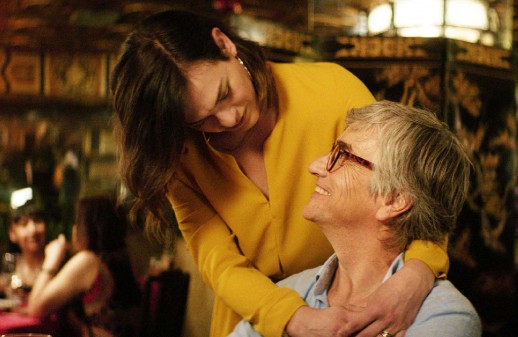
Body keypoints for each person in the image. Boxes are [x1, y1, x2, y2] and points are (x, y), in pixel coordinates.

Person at [111, 10, 449, 337]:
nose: (228, 119)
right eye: (201, 120)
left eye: (225, 94)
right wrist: (290, 318)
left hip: (361, 310)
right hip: (249, 323)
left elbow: (410, 188)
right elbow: (219, 262)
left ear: (224, 45)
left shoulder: (331, 90)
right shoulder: (181, 152)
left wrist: (418, 271)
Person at [231, 100, 482, 337]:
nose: (315, 166)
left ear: (394, 200)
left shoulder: (445, 316)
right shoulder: (289, 295)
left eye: (342, 155)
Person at [27, 196, 141, 337]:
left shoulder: (88, 262)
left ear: (88, 228)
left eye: (77, 223)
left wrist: (51, 260)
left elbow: (36, 307)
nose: (74, 229)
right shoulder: (126, 258)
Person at [7, 199, 47, 295]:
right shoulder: (9, 268)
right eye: (24, 224)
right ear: (12, 233)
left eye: (37, 221)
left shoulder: (56, 264)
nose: (33, 230)